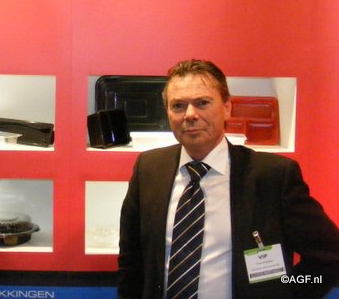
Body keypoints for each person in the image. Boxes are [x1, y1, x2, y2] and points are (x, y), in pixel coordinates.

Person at [117, 59, 339, 299]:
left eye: (202, 103)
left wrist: (284, 290)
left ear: (226, 107)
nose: (190, 115)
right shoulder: (149, 169)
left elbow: (330, 256)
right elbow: (131, 262)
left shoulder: (273, 177)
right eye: (178, 105)